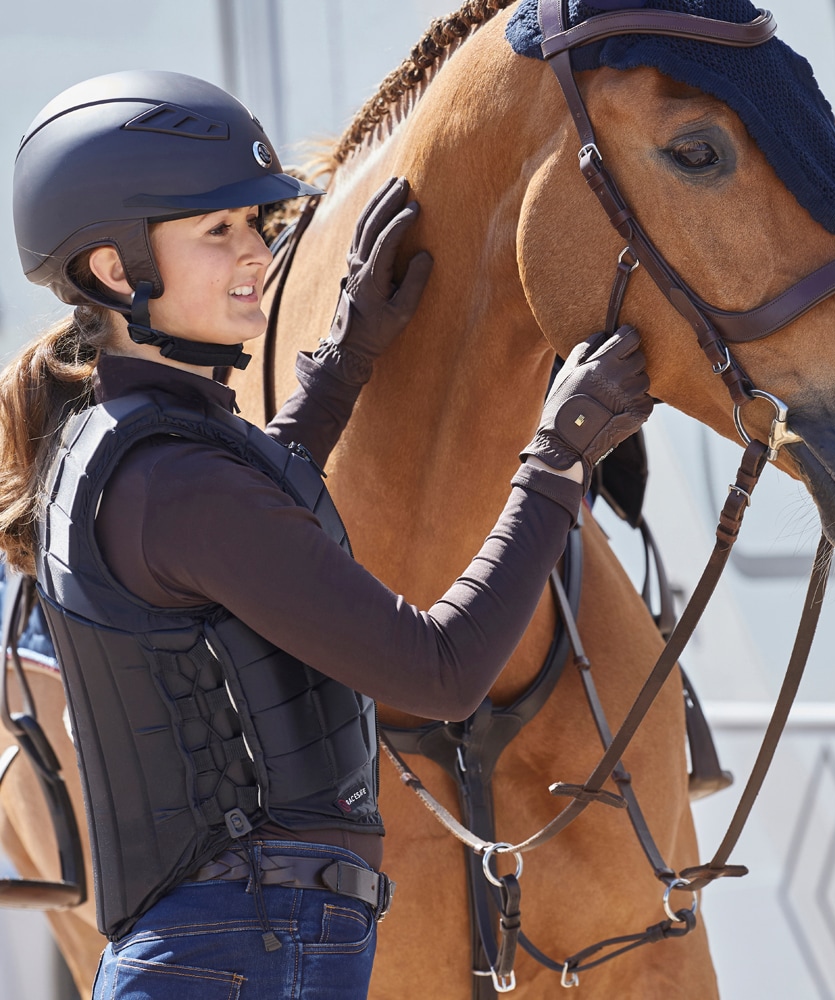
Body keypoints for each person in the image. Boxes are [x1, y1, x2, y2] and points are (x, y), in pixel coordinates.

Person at [0, 71, 652, 999]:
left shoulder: (128, 447)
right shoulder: (176, 483)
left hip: (230, 954)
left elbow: (254, 509)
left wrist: (341, 366)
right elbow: (442, 671)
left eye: (256, 226)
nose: (257, 254)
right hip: (247, 961)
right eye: (216, 231)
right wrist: (556, 460)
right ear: (116, 269)